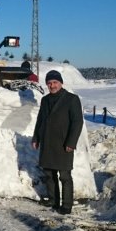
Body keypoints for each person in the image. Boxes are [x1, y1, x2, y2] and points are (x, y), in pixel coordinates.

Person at [31, 70, 84, 215]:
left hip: (63, 143)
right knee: (49, 174)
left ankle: (66, 205)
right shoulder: (45, 100)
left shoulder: (71, 99)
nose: (52, 85)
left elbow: (77, 122)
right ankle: (54, 201)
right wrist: (36, 138)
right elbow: (40, 120)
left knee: (65, 176)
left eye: (54, 82)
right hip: (48, 142)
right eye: (49, 83)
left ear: (61, 83)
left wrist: (71, 142)